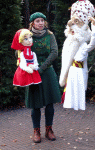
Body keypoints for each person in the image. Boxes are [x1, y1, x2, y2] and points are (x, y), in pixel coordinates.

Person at [59, 0, 95, 110]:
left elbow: (94, 41)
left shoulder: (82, 44)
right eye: (72, 22)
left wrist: (94, 26)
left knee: (77, 91)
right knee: (71, 92)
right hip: (72, 70)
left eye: (77, 23)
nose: (72, 25)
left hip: (79, 70)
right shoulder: (69, 41)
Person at [26, 12, 61, 143]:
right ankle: (36, 131)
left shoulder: (50, 35)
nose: (40, 23)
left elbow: (54, 52)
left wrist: (42, 68)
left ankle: (49, 130)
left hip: (47, 72)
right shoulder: (27, 36)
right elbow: (21, 51)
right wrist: (29, 67)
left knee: (49, 103)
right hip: (32, 72)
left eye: (42, 21)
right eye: (37, 21)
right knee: (36, 104)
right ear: (32, 23)